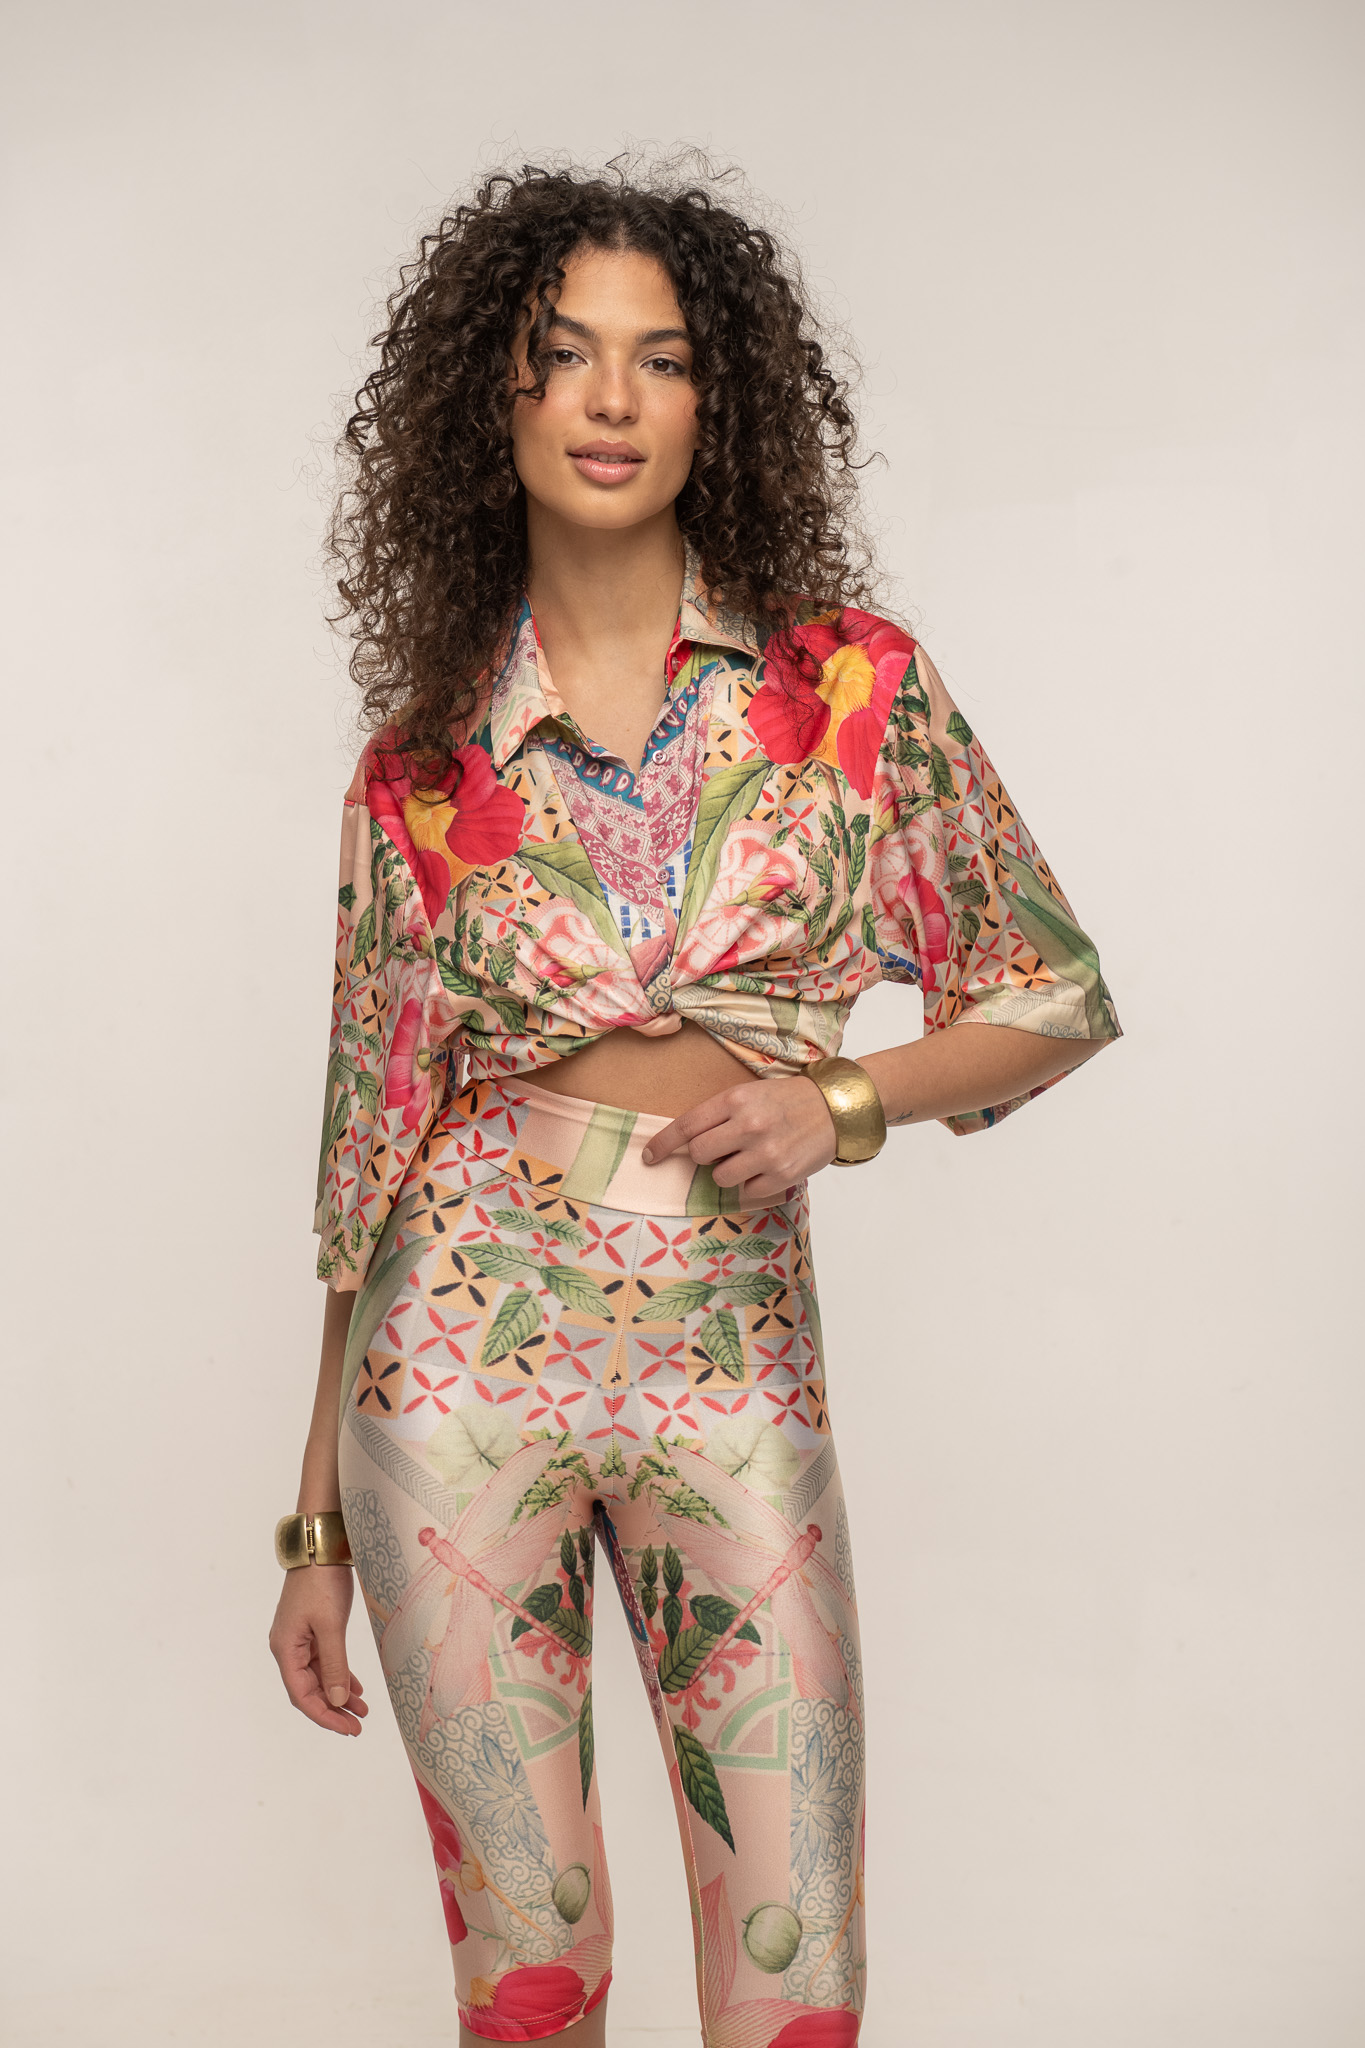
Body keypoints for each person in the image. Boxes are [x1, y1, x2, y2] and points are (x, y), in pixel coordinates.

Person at [268, 156, 1121, 2048]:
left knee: (794, 1971)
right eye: (562, 353)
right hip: (453, 1351)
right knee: (528, 1975)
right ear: (489, 397)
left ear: (713, 399)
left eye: (658, 359)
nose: (609, 398)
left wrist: (841, 1098)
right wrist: (310, 1521)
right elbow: (365, 1145)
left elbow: (1049, 991)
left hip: (728, 1344)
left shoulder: (850, 692)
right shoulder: (418, 763)